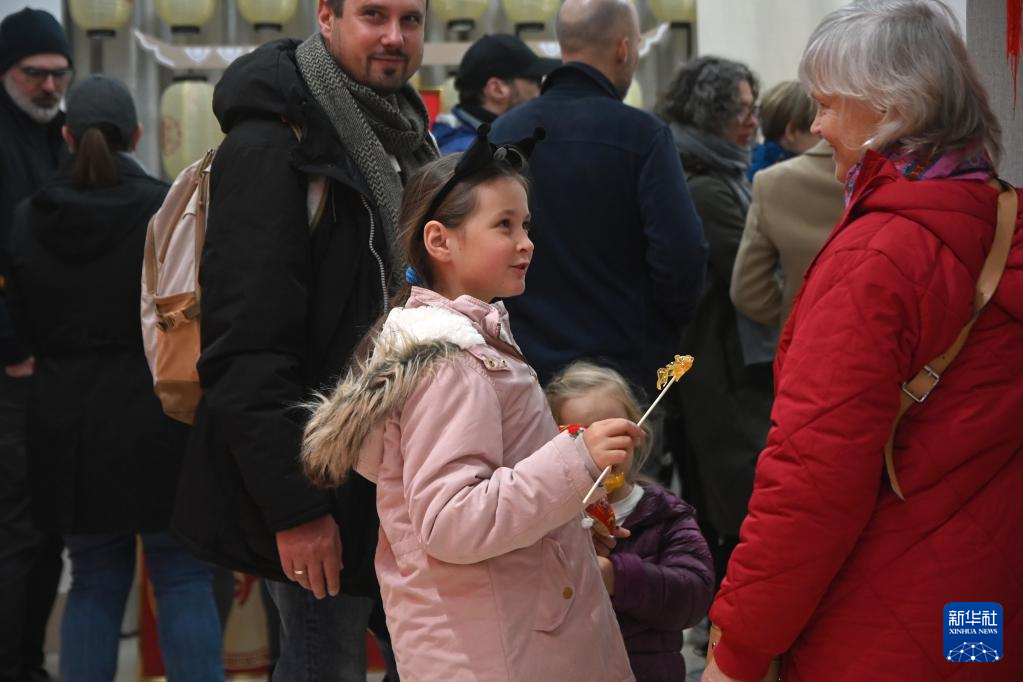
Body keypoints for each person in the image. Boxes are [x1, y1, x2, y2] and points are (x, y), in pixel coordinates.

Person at [703, 2, 1023, 680]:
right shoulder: (1005, 217)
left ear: (887, 110)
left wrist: (736, 649)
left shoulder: (876, 258)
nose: (815, 126)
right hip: (982, 599)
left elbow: (813, 479)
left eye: (826, 104)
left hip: (883, 615)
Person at [300, 129, 640, 681]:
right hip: (496, 652)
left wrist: (568, 517)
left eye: (525, 224)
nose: (525, 242)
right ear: (440, 241)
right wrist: (576, 462)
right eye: (503, 225)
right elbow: (451, 521)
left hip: (502, 632)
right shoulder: (452, 362)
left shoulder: (463, 342)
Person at [170, 0, 437, 679]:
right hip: (322, 486)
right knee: (324, 658)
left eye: (410, 19)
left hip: (405, 476)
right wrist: (296, 508)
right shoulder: (274, 148)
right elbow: (244, 350)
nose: (393, 36)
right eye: (373, 14)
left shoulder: (404, 135)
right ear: (325, 15)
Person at [6, 75, 224, 682]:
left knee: (95, 579)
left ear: (68, 135)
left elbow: (15, 328)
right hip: (161, 411)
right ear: (136, 135)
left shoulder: (29, 217)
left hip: (65, 423)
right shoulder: (164, 208)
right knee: (182, 575)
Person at [489, 0, 706, 400]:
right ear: (624, 48)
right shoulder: (644, 136)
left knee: (528, 468)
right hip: (621, 381)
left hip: (520, 373)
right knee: (619, 467)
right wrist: (660, 335)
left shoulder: (504, 131)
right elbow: (682, 257)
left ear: (563, 44)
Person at [658, 55, 774, 588]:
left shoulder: (713, 171)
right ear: (712, 114)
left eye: (753, 109)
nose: (752, 122)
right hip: (721, 366)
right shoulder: (707, 185)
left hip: (719, 359)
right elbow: (752, 274)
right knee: (735, 500)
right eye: (741, 111)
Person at [546, 361, 714, 682]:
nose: (603, 451)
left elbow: (694, 597)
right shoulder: (545, 515)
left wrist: (617, 577)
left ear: (639, 434)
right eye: (580, 437)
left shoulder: (666, 516)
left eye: (615, 432)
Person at [0, 8, 73, 681]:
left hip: (54, 371)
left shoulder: (57, 140)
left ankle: (31, 663)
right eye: (35, 74)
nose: (50, 87)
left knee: (49, 529)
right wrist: (12, 347)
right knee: (19, 535)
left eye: (59, 74)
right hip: (15, 373)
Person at [730, 139, 844, 330]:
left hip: (806, 342)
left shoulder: (774, 181)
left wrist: (795, 318)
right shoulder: (905, 172)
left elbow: (748, 292)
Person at [432, 33, 558, 154]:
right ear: (497, 89)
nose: (540, 93)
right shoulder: (475, 158)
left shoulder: (480, 144)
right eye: (534, 81)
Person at [746, 81, 818, 181]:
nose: (827, 143)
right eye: (820, 135)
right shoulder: (787, 178)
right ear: (792, 132)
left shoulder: (753, 162)